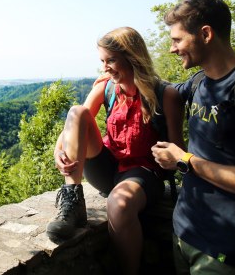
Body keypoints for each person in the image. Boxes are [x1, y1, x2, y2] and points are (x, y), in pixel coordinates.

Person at [47, 26, 185, 275]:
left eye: (111, 60)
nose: (105, 68)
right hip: (107, 166)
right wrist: (59, 149)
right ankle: (71, 199)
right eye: (102, 60)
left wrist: (171, 159)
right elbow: (75, 123)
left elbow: (179, 152)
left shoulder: (166, 95)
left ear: (132, 57)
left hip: (143, 173)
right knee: (78, 111)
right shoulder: (106, 87)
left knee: (119, 205)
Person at [151, 0, 235, 274]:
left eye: (177, 40)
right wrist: (175, 141)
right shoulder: (198, 82)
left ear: (206, 34)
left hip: (225, 251)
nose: (173, 49)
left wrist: (183, 159)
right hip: (183, 232)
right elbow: (170, 91)